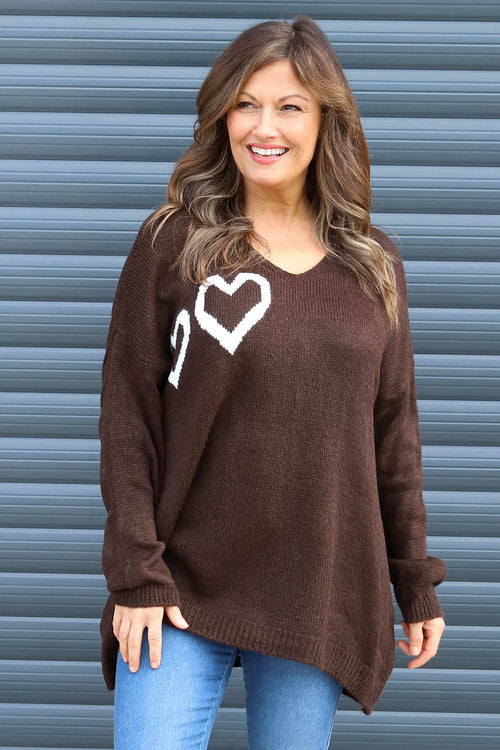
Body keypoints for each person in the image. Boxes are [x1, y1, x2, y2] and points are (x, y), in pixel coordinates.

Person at [98, 15, 447, 749]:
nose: (265, 127)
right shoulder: (173, 244)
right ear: (223, 116)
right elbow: (128, 416)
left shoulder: (372, 266)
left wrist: (415, 582)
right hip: (178, 587)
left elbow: (394, 434)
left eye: (290, 106)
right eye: (246, 104)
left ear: (325, 122)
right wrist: (135, 575)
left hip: (314, 590)